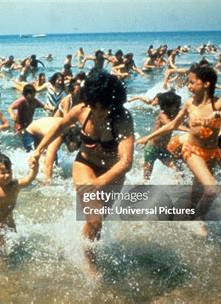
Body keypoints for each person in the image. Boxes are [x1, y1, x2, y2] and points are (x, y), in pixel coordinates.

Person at [30, 69, 134, 273]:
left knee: (98, 222)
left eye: (103, 108)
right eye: (94, 106)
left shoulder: (122, 118)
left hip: (113, 172)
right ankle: (90, 264)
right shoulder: (81, 110)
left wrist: (99, 183)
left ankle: (88, 247)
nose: (97, 112)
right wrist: (38, 150)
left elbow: (126, 162)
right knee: (94, 218)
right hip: (85, 164)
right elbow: (59, 126)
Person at [136, 64, 221, 227]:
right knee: (212, 190)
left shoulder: (218, 104)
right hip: (192, 151)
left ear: (206, 84)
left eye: (192, 82)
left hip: (211, 154)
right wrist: (148, 137)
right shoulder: (190, 104)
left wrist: (219, 114)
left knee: (197, 193)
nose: (188, 86)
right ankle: (198, 221)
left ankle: (184, 218)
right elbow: (172, 125)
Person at [142, 91, 185, 180]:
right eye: (176, 106)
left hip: (163, 149)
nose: (178, 108)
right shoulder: (162, 115)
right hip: (151, 149)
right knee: (146, 177)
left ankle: (178, 187)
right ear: (166, 107)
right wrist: (190, 130)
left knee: (177, 170)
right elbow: (172, 125)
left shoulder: (173, 114)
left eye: (178, 106)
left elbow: (184, 121)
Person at [24, 117, 81, 182]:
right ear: (69, 140)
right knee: (41, 160)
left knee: (54, 162)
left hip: (45, 131)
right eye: (75, 146)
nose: (76, 149)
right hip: (31, 134)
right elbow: (49, 164)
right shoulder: (57, 137)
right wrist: (47, 182)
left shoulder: (75, 132)